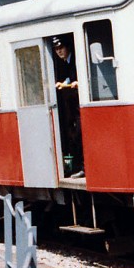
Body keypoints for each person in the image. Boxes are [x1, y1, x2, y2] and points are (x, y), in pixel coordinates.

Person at [51, 36, 83, 177]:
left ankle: (82, 168)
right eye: (57, 49)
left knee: (78, 135)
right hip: (73, 106)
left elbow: (78, 77)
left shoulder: (75, 60)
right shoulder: (66, 62)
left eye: (61, 48)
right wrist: (65, 82)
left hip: (78, 106)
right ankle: (75, 167)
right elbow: (71, 77)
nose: (59, 52)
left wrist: (75, 82)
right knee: (73, 136)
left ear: (68, 47)